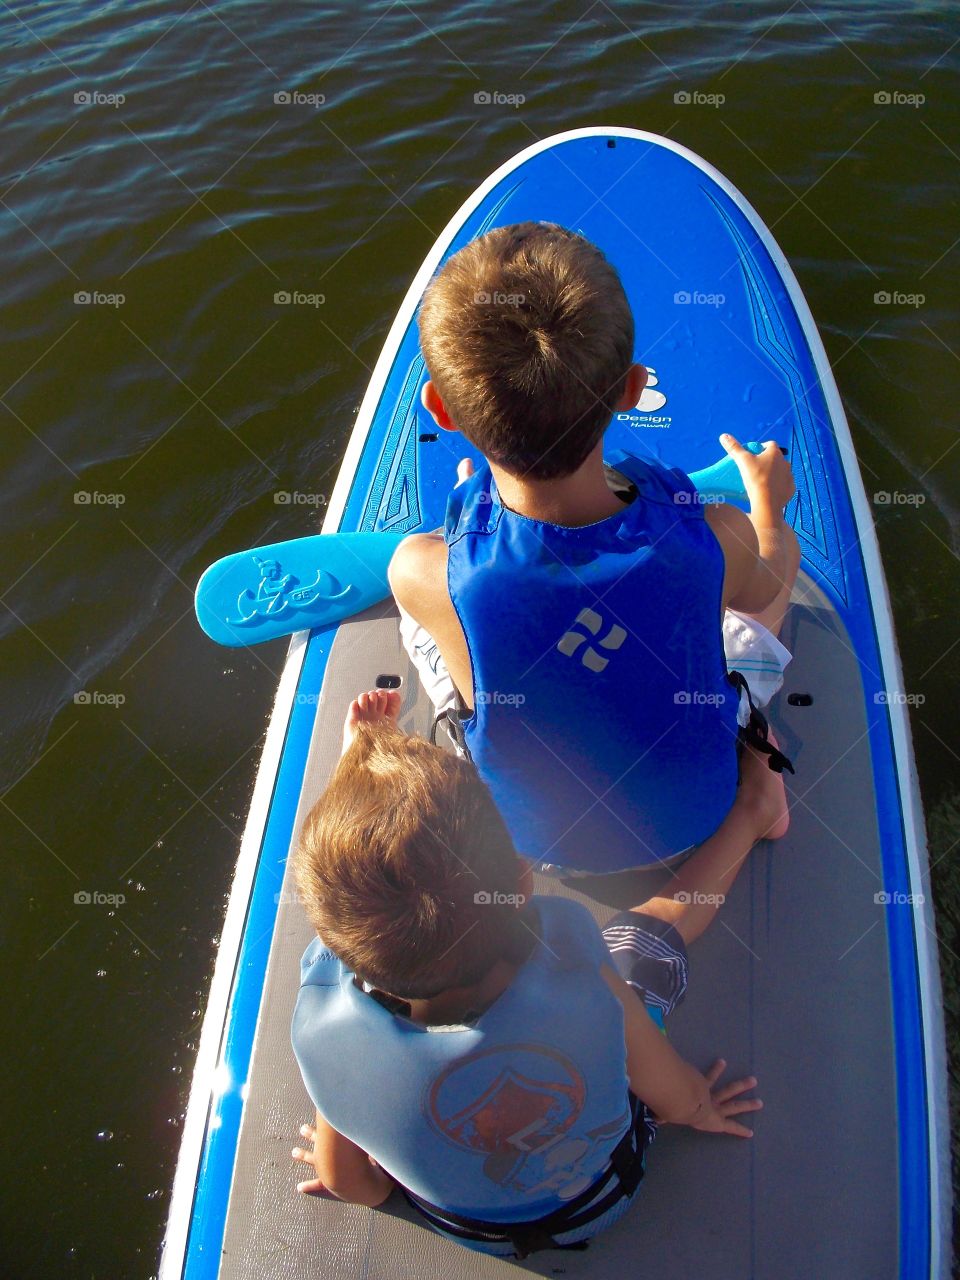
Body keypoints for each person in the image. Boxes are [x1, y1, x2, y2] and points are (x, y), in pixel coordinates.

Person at [289, 688, 788, 1258]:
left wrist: (357, 771)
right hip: (597, 1203)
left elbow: (354, 1185)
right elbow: (676, 1103)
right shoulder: (579, 975)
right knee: (647, 930)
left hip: (472, 1232)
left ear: (342, 948)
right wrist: (704, 1107)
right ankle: (755, 815)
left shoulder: (325, 1037)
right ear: (522, 881)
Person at [388, 221, 800, 874]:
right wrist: (769, 511)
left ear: (442, 410)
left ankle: (478, 504)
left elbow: (491, 680)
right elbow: (770, 586)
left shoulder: (422, 569)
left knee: (432, 633)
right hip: (697, 815)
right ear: (634, 390)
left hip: (536, 843)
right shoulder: (715, 535)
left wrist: (464, 539)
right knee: (760, 604)